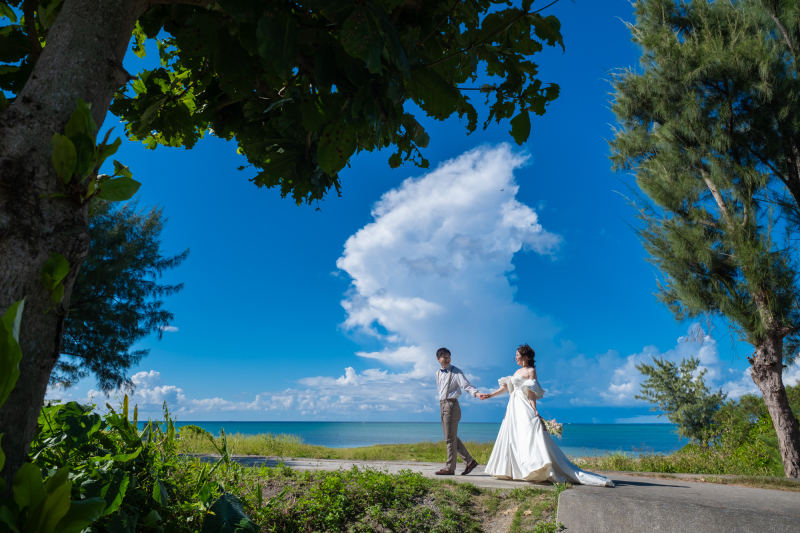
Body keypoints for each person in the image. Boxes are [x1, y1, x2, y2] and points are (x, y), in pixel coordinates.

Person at [482, 344, 614, 487]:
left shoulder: (531, 371)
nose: (515, 358)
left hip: (523, 405)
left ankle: (536, 468)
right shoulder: (516, 372)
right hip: (513, 407)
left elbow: (531, 392)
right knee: (513, 436)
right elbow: (507, 387)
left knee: (530, 432)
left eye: (518, 355)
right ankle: (515, 470)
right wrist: (490, 395)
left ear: (525, 357)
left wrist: (534, 409)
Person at [434, 347, 487, 476]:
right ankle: (469, 461)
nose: (447, 359)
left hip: (451, 405)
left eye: (448, 357)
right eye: (444, 357)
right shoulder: (438, 373)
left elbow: (466, 385)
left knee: (449, 439)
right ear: (438, 359)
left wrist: (477, 393)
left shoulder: (456, 372)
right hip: (442, 405)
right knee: (450, 437)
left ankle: (450, 468)